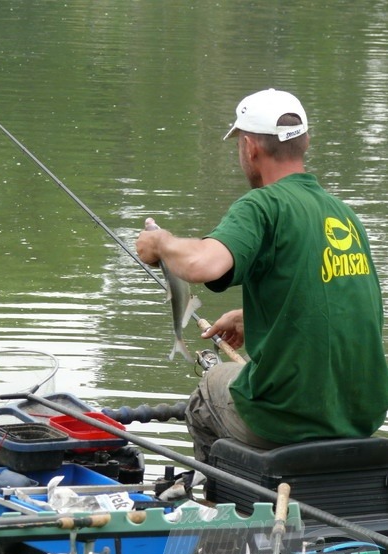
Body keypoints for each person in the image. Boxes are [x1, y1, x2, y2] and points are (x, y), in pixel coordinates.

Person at [136, 88, 388, 464]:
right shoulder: (344, 215)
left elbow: (203, 265)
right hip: (361, 417)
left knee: (209, 391)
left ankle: (217, 510)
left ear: (251, 147)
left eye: (240, 145)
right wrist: (252, 318)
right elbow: (334, 307)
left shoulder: (263, 205)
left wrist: (160, 243)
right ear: (306, 142)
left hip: (287, 420)